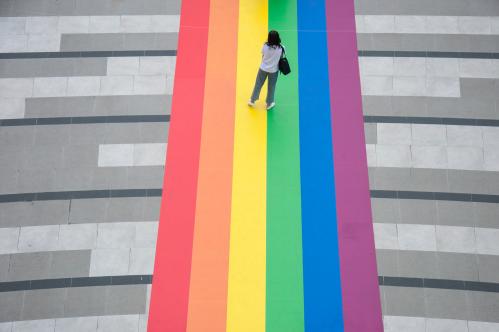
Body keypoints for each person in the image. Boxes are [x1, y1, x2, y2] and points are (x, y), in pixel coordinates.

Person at [248, 30, 284, 110]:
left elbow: (263, 55)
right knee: (271, 86)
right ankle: (269, 103)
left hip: (263, 68)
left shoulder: (265, 46)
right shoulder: (281, 48)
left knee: (258, 84)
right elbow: (281, 58)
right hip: (274, 70)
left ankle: (252, 100)